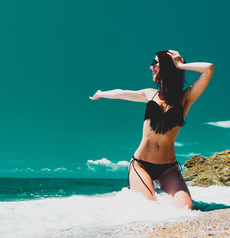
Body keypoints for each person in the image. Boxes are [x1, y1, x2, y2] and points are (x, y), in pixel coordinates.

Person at [89, 50, 214, 209]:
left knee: (186, 210)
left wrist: (180, 65)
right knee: (149, 209)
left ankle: (162, 191)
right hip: (141, 165)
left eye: (155, 63)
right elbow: (121, 93)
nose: (151, 67)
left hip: (169, 168)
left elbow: (208, 68)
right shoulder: (150, 94)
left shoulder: (185, 98)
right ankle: (155, 193)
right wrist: (101, 93)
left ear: (169, 66)